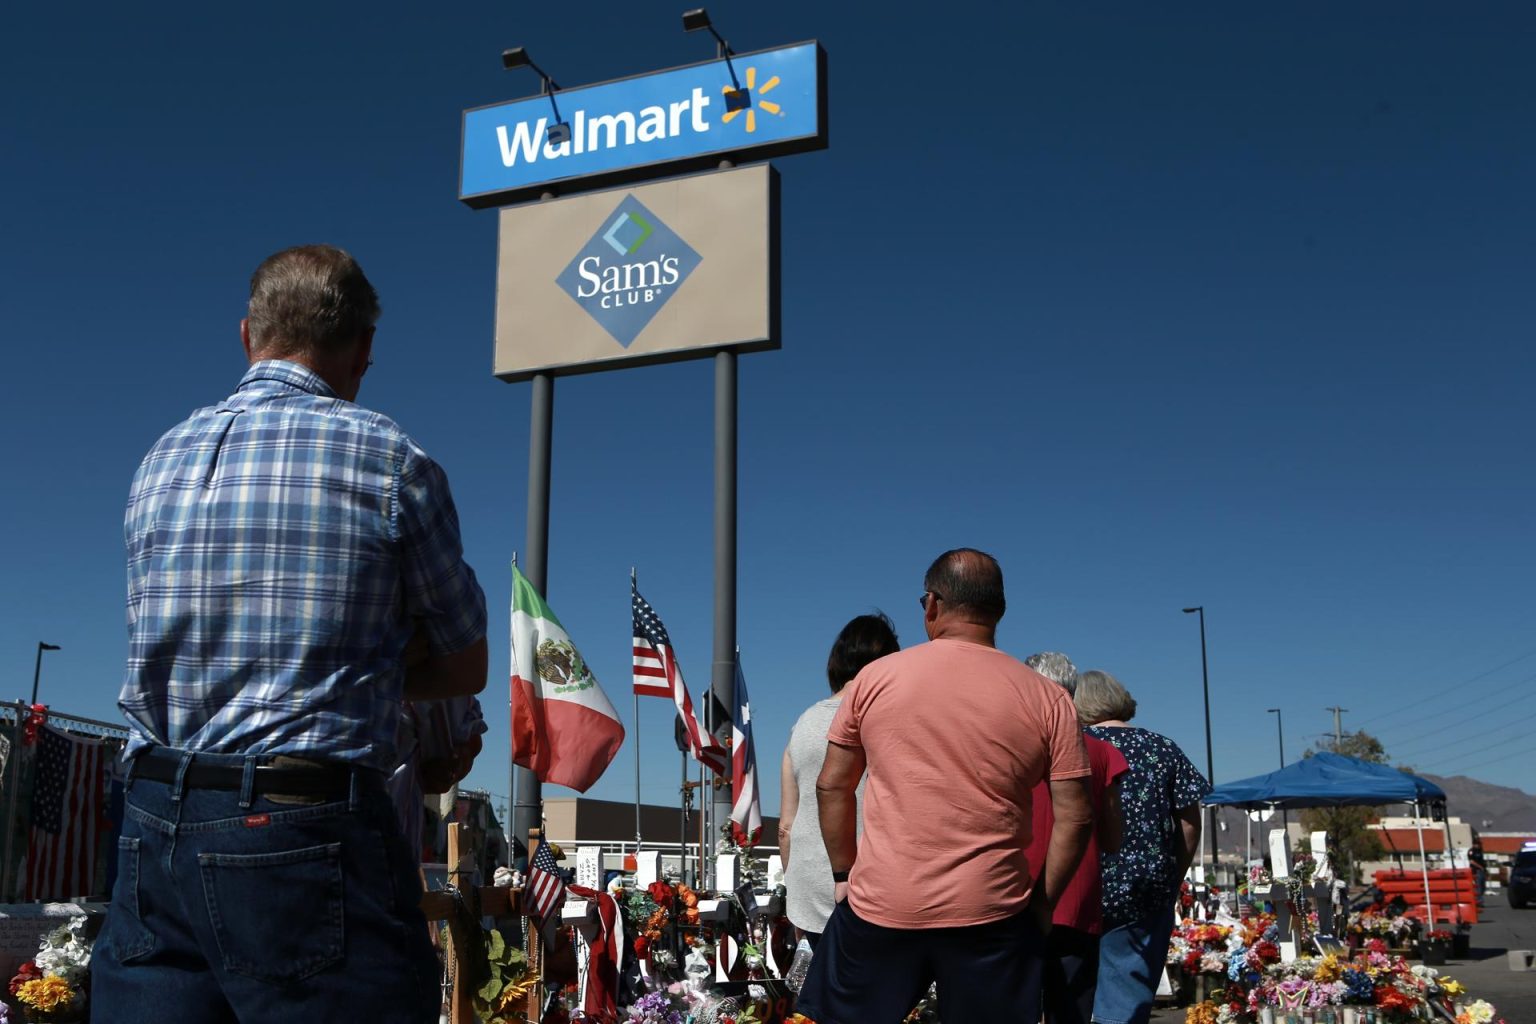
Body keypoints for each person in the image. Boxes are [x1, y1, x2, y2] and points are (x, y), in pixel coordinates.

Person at [94, 245, 489, 1023]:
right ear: (363, 352)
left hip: (151, 817)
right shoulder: (389, 460)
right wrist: (354, 665)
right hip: (301, 829)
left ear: (247, 335)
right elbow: (465, 662)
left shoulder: (160, 459)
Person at [798, 548, 1094, 1024]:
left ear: (931, 605)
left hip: (883, 904)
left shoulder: (873, 680)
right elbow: (1076, 816)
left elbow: (832, 786)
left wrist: (842, 876)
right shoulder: (1049, 699)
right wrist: (1042, 903)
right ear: (998, 610)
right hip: (994, 910)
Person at [1076, 669, 1210, 1024]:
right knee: (1127, 998)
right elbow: (1190, 822)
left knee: (1073, 995)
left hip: (1080, 884)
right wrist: (1173, 877)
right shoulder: (1163, 747)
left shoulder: (1074, 746)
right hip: (1145, 886)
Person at [778, 613, 900, 947]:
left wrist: (796, 887)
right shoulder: (889, 721)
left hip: (808, 886)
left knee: (817, 992)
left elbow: (786, 826)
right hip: (872, 885)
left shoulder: (802, 725)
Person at [1022, 652, 1128, 1024]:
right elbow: (1113, 839)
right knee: (1072, 1011)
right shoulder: (1104, 753)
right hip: (1078, 897)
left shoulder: (1009, 748)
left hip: (1017, 894)